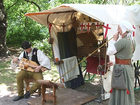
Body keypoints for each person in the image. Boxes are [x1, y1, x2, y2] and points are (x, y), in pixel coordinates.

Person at [107, 21, 135, 105]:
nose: (118, 30)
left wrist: (114, 40)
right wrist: (116, 62)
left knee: (121, 89)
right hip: (128, 68)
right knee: (126, 89)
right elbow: (127, 55)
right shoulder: (132, 41)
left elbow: (109, 52)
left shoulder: (123, 41)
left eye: (119, 28)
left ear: (124, 29)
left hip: (122, 70)